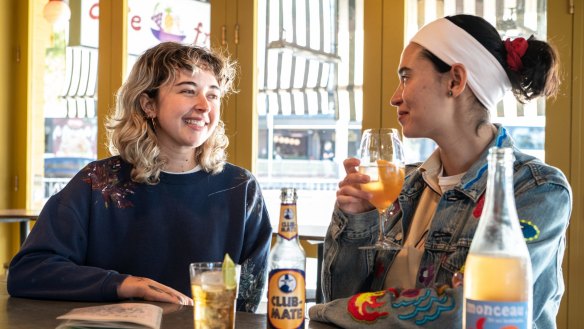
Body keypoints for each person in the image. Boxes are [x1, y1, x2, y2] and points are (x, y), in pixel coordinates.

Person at [309, 14, 572, 328]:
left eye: (406, 77)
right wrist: (358, 220)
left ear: (455, 80)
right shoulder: (401, 186)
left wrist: (336, 312)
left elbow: (481, 312)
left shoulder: (536, 190)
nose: (395, 97)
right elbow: (339, 297)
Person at [8, 42, 273, 312]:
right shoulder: (98, 183)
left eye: (213, 95)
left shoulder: (241, 189)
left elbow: (249, 298)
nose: (204, 106)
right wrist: (126, 285)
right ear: (149, 104)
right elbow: (29, 271)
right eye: (188, 91)